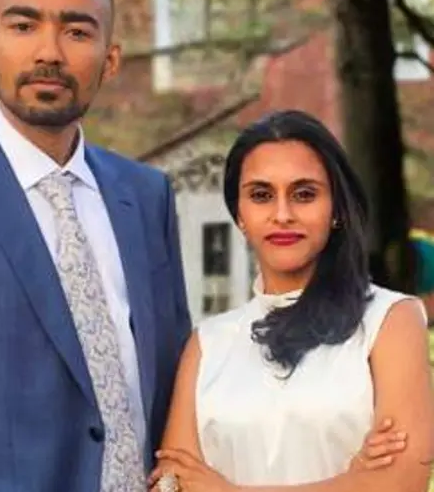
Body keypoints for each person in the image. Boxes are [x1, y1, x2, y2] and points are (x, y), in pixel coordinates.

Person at [0, 0, 191, 491]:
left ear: (110, 61)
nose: (49, 52)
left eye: (77, 32)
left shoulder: (146, 196)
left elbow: (172, 380)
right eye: (24, 26)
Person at [150, 110, 434, 492]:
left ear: (336, 210)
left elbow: (401, 483)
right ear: (239, 215)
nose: (282, 215)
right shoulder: (208, 344)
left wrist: (225, 490)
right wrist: (351, 483)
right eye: (261, 195)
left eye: (304, 194)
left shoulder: (389, 320)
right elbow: (170, 484)